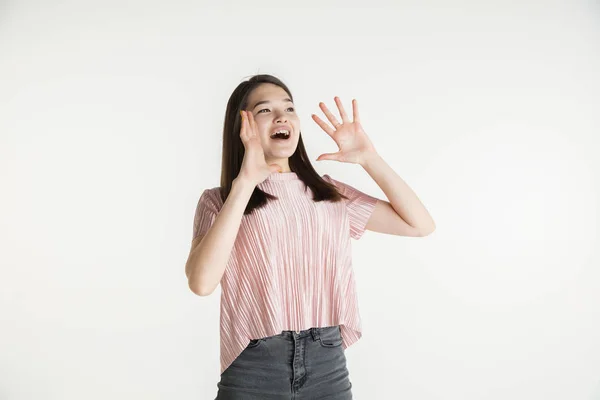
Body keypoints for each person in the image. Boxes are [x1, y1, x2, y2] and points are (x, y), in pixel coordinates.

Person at [185, 74, 436, 399]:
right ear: (242, 126)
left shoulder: (328, 193)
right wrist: (245, 183)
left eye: (289, 108)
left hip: (326, 363)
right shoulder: (219, 201)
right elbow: (201, 283)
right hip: (253, 367)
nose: (281, 117)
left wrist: (369, 159)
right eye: (264, 110)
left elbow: (420, 224)